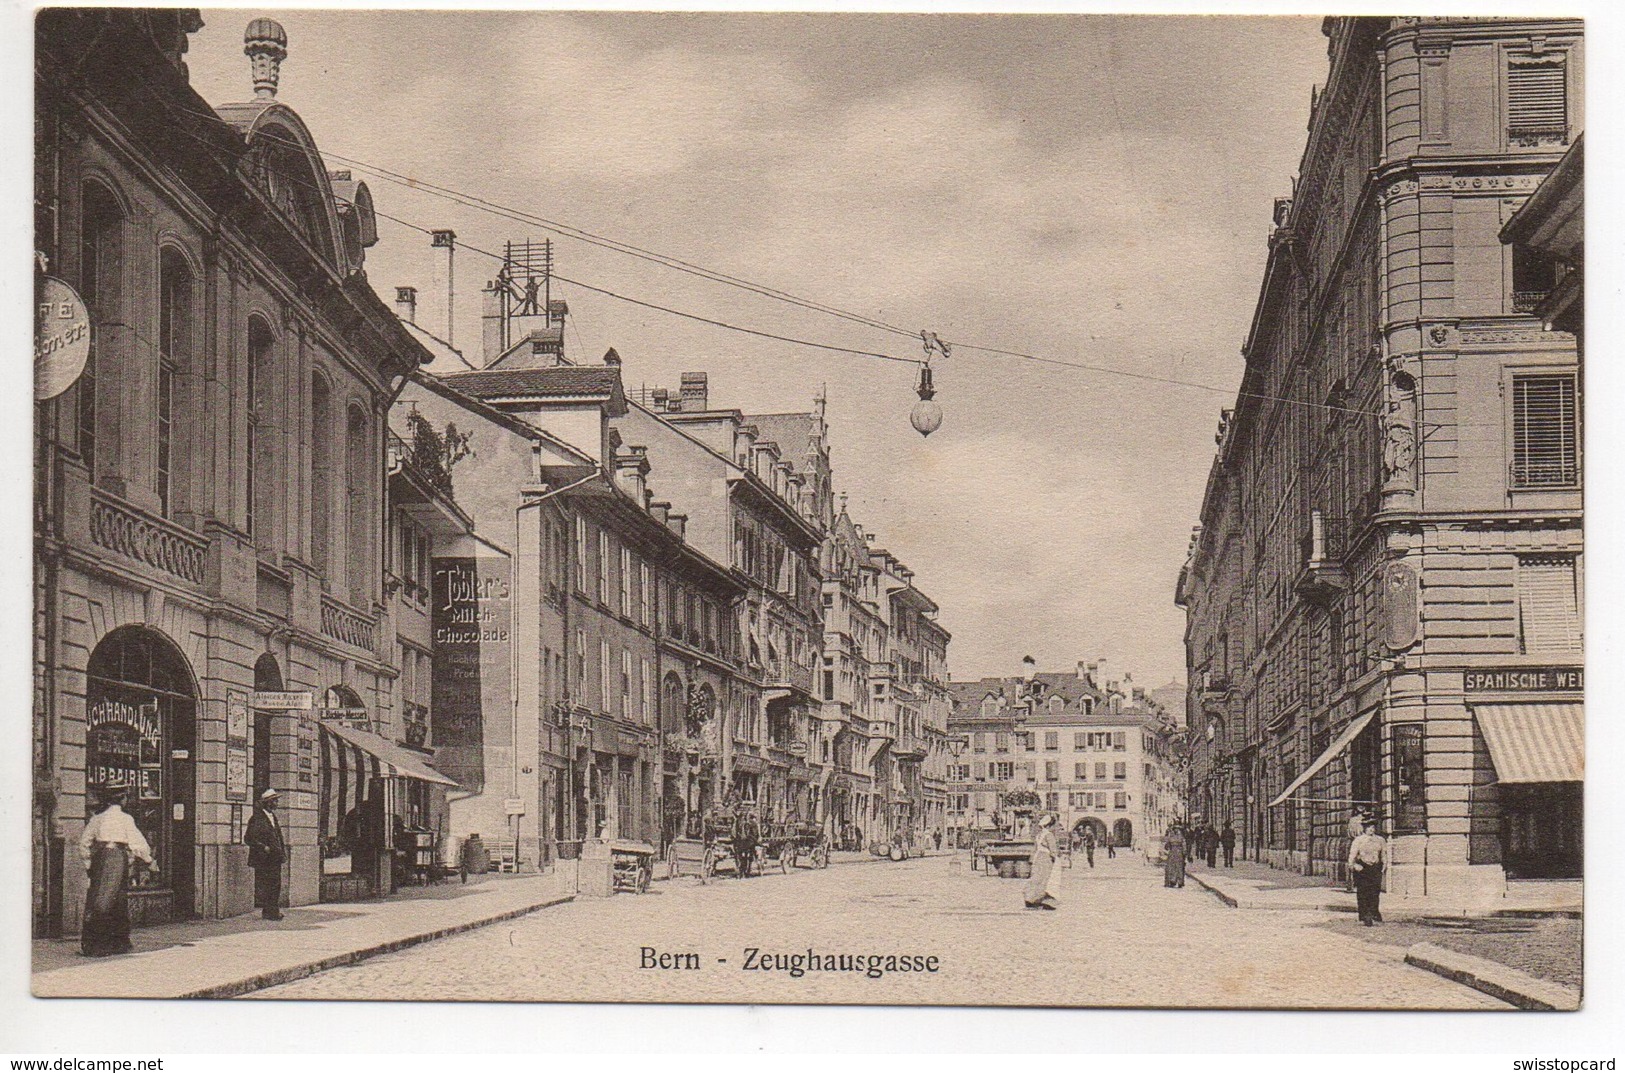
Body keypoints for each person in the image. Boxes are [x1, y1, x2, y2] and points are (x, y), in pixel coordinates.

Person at [79, 781, 156, 956]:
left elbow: (84, 843)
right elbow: (138, 844)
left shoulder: (97, 818)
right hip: (116, 859)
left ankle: (94, 943)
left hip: (100, 858)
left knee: (98, 898)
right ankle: (114, 943)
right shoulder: (125, 819)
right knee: (115, 899)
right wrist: (149, 859)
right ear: (122, 798)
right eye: (125, 797)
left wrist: (89, 864)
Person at [246, 788, 287, 919]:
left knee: (275, 884)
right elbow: (249, 838)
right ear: (268, 802)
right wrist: (264, 847)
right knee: (268, 885)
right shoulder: (257, 818)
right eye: (275, 800)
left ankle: (272, 911)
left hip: (275, 857)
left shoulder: (272, 817)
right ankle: (270, 912)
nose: (277, 803)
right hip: (264, 858)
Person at [1348, 816, 1388, 926]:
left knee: (1375, 891)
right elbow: (1352, 855)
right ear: (1364, 828)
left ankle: (1374, 912)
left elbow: (1383, 853)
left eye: (1373, 827)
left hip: (1375, 868)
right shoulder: (1359, 840)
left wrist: (1384, 864)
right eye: (1369, 827)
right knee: (1363, 892)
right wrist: (1354, 865)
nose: (1372, 829)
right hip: (1362, 868)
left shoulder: (1380, 840)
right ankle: (1365, 915)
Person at [1024, 813, 1060, 910]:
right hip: (1046, 858)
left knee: (1036, 878)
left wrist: (1032, 860)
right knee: (1046, 880)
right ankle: (1045, 901)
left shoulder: (1039, 835)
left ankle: (1030, 899)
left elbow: (1035, 849)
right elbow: (1053, 850)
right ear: (1049, 826)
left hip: (1037, 857)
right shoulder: (1049, 835)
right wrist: (1055, 859)